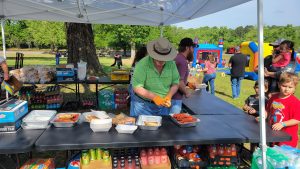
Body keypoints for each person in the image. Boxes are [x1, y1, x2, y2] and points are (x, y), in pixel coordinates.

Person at [131, 37, 179, 116]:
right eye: (158, 58)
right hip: (143, 105)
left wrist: (169, 96)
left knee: (163, 128)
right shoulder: (142, 64)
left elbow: (175, 83)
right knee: (143, 128)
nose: (160, 61)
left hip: (163, 106)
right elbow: (136, 87)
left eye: (163, 59)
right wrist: (154, 97)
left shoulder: (172, 64)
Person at [266, 72, 300, 148]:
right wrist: (262, 116)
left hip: (287, 137)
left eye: (290, 87)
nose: (286, 89)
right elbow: (268, 111)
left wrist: (282, 124)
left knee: (284, 157)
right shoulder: (273, 97)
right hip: (273, 133)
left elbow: (297, 119)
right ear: (279, 84)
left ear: (294, 88)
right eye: (284, 86)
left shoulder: (295, 102)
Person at [170, 37, 196, 114]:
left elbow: (176, 77)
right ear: (187, 48)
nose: (193, 50)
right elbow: (179, 80)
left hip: (170, 96)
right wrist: (186, 93)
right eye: (192, 47)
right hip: (175, 98)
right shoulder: (182, 61)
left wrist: (188, 84)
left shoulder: (176, 58)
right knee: (173, 123)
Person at [129, 46, 148, 114]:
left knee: (134, 104)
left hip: (132, 85)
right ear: (144, 54)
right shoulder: (142, 63)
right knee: (137, 105)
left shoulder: (136, 62)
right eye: (148, 53)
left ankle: (133, 117)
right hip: (137, 87)